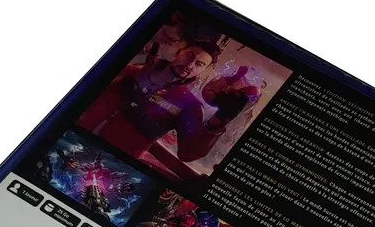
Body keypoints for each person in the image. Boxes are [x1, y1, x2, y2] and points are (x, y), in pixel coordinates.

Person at [78, 40, 250, 163]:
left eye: (199, 64)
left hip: (110, 161)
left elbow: (187, 154)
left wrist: (219, 121)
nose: (190, 65)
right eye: (189, 56)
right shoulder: (133, 71)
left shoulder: (189, 105)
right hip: (74, 136)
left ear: (203, 71)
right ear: (179, 51)